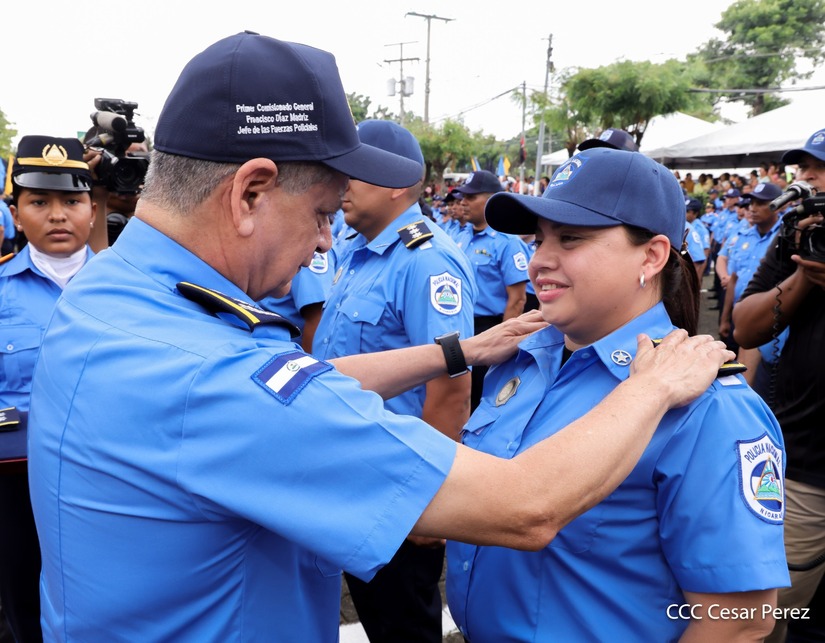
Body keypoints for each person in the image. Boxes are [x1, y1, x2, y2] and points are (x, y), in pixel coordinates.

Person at [27, 32, 734, 642]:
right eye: (322, 211)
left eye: (569, 237)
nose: (322, 242)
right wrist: (650, 387)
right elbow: (526, 504)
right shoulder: (206, 372)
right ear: (249, 192)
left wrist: (460, 349)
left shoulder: (109, 291)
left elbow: (740, 611)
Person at [446, 148, 789, 643]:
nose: (540, 260)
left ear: (650, 256)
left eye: (571, 239)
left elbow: (738, 620)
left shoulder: (709, 407)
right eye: (539, 239)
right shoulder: (518, 358)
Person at [312, 119, 475, 642]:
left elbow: (450, 387)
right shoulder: (358, 252)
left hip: (395, 480)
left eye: (354, 175)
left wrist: (426, 498)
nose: (342, 187)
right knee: (373, 609)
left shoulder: (426, 263)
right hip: (351, 470)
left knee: (403, 624)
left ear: (396, 186)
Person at [0, 135, 97, 643]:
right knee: (22, 600)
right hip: (15, 483)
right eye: (39, 202)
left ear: (92, 209)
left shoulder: (133, 290)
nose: (58, 215)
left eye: (71, 201)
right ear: (15, 215)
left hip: (108, 476)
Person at [734, 128, 825, 643]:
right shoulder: (798, 233)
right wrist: (802, 277)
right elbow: (746, 328)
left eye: (820, 167)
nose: (807, 176)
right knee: (771, 618)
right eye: (804, 166)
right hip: (806, 464)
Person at [452, 169, 530, 410]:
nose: (463, 202)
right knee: (455, 393)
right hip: (456, 326)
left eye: (471, 197)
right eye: (463, 196)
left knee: (478, 398)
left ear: (490, 199)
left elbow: (517, 300)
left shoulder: (507, 243)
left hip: (488, 327)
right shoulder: (460, 236)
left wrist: (501, 343)